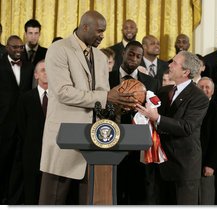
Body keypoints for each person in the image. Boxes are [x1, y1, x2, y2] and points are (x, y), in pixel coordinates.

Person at [38, 10, 137, 205]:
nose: (102, 36)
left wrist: (119, 105)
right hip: (64, 138)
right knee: (53, 200)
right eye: (99, 31)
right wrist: (107, 96)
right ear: (85, 27)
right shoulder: (59, 49)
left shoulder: (100, 57)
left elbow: (103, 96)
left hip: (96, 140)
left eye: (104, 31)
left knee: (93, 201)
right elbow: (63, 92)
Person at [136, 51, 209, 205]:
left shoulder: (199, 97)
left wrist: (157, 118)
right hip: (161, 166)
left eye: (174, 63)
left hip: (183, 168)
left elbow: (187, 126)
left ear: (186, 71)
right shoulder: (164, 92)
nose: (169, 65)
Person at [109, 40, 159, 205]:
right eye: (131, 54)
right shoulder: (107, 78)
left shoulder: (151, 82)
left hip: (139, 148)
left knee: (138, 195)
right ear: (123, 53)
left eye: (138, 56)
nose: (134, 59)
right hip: (111, 143)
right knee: (113, 192)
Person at [0, 35, 33, 204]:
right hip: (3, 124)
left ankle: (15, 199)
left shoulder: (29, 67)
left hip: (23, 123)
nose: (18, 50)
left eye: (21, 47)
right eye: (14, 47)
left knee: (19, 163)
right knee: (3, 161)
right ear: (7, 48)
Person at [14, 60, 48, 204]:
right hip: (32, 154)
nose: (47, 73)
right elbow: (21, 127)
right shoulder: (25, 98)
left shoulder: (62, 99)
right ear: (36, 75)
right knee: (32, 193)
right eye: (43, 70)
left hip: (54, 154)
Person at [197, 77, 217, 204]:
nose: (204, 90)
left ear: (213, 91)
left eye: (207, 87)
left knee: (205, 199)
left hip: (206, 164)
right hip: (190, 162)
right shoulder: (190, 106)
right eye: (201, 87)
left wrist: (211, 164)